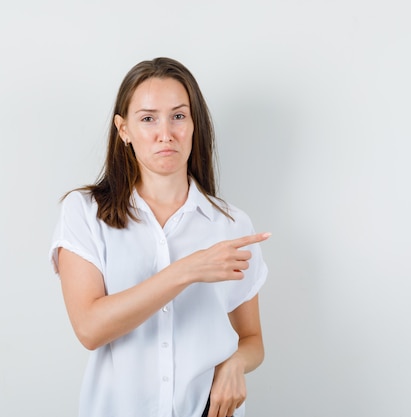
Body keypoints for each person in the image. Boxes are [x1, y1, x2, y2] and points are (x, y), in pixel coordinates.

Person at [49, 57, 270, 417]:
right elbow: (90, 328)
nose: (165, 133)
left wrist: (235, 365)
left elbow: (253, 340)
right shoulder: (84, 212)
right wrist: (188, 270)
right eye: (148, 118)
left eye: (178, 116)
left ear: (194, 123)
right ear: (124, 130)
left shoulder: (231, 224)